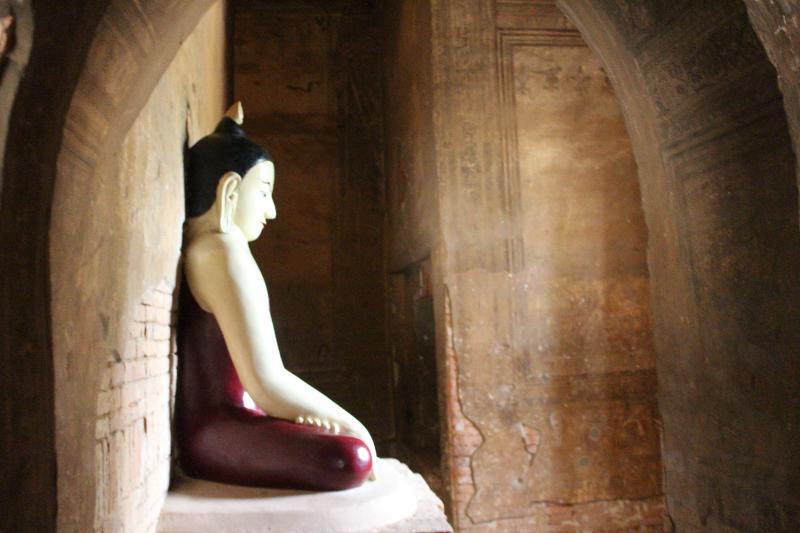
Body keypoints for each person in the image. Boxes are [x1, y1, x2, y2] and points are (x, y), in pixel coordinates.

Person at [176, 102, 376, 490]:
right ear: (229, 190)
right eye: (264, 192)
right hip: (216, 434)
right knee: (352, 457)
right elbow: (267, 384)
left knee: (348, 451)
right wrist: (354, 426)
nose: (272, 211)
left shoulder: (214, 250)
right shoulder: (220, 253)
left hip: (233, 421)